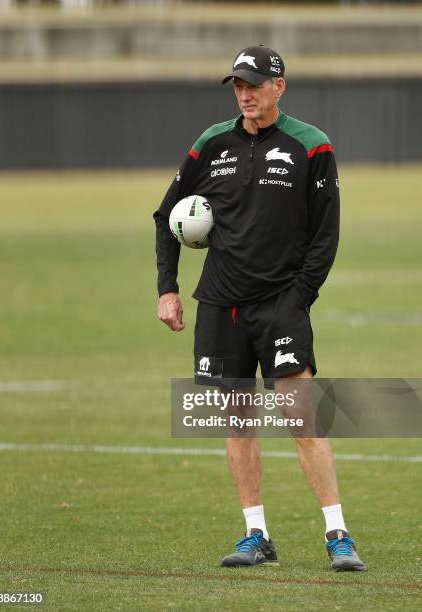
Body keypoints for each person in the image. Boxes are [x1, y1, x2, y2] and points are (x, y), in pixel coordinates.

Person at [153, 45, 366, 572]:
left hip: (282, 304)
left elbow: (326, 235)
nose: (244, 94)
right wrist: (168, 288)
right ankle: (256, 534)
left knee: (302, 418)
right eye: (237, 86)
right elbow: (167, 216)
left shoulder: (311, 146)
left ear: (280, 87)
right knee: (237, 421)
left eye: (254, 84)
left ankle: (338, 533)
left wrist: (299, 298)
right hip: (220, 305)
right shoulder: (212, 143)